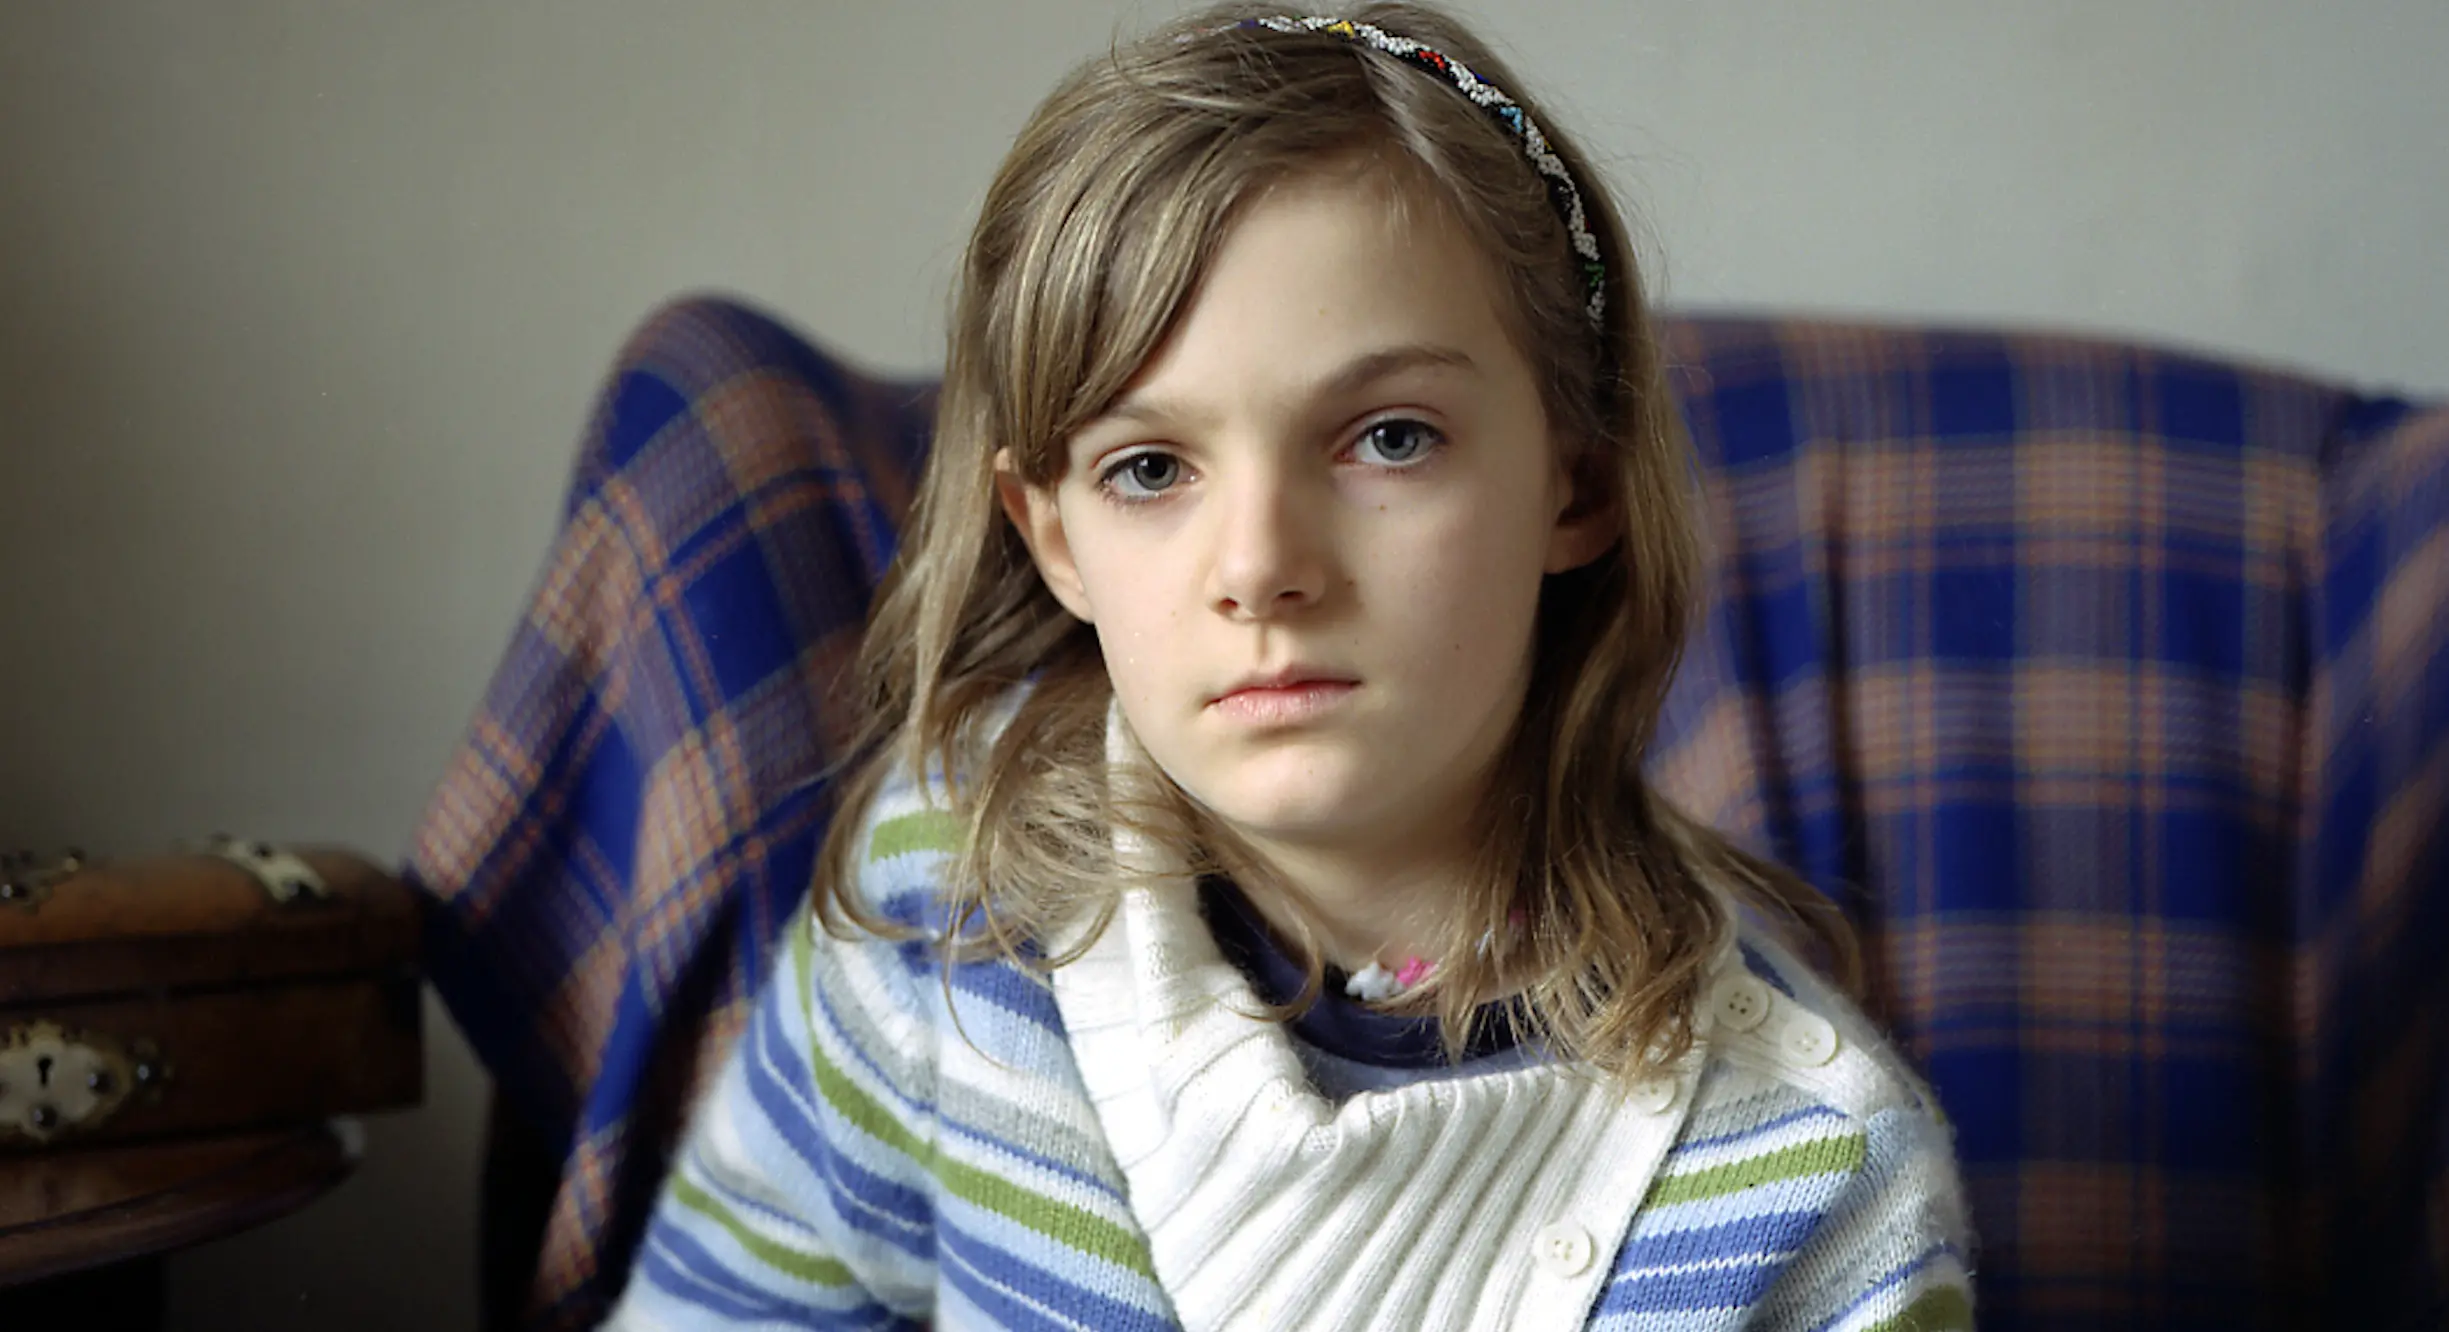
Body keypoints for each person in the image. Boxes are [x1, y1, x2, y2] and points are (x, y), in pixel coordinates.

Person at [603, 5, 1974, 1328]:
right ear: (1056, 541)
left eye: (1387, 438)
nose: (1259, 567)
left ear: (1578, 481)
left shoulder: (1817, 1174)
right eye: (1151, 469)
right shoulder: (958, 894)